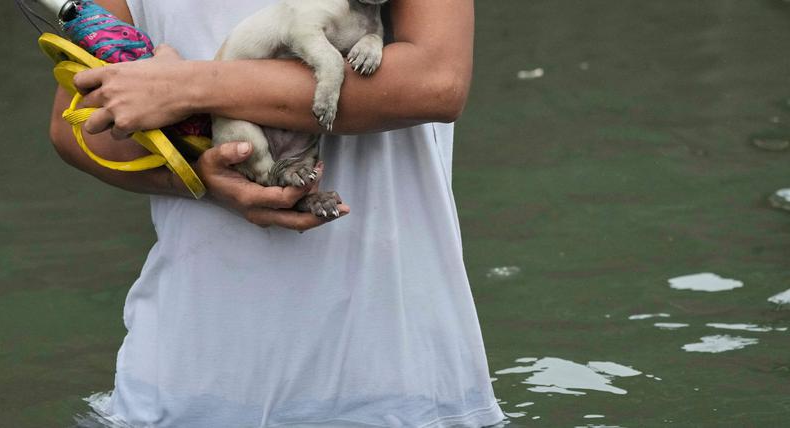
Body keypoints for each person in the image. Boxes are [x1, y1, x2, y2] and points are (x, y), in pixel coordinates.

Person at [48, 0, 504, 426]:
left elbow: (436, 81)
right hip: (186, 385)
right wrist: (201, 181)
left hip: (396, 379)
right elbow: (77, 126)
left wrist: (191, 86)